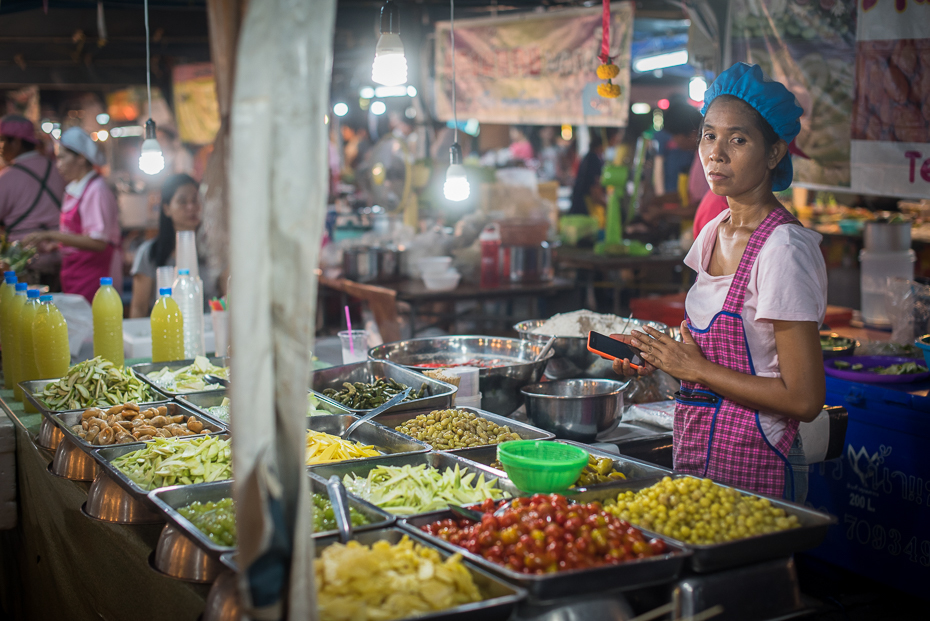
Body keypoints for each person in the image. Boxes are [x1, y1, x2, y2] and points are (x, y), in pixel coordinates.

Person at [611, 63, 827, 503]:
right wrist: (658, 353)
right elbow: (709, 349)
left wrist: (696, 369)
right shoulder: (713, 231)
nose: (716, 153)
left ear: (773, 154)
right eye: (709, 135)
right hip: (698, 449)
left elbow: (804, 399)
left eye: (738, 139)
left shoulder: (783, 248)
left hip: (759, 457)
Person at [24, 127, 121, 302]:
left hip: (95, 276)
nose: (58, 164)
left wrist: (50, 234)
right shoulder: (77, 188)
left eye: (62, 157)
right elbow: (80, 236)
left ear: (81, 158)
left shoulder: (96, 190)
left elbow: (98, 242)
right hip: (75, 272)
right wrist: (57, 245)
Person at [129, 173, 217, 317]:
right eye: (182, 201)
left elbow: (226, 296)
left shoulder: (213, 250)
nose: (191, 207)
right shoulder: (149, 253)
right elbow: (139, 308)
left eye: (195, 200)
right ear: (166, 208)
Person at [0, 115, 64, 241]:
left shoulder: (6, 177)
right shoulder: (59, 169)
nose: (1, 148)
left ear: (16, 142)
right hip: (62, 245)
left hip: (23, 253)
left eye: (2, 141)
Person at [569, 131, 606, 216]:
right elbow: (594, 188)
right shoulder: (593, 159)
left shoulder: (588, 156)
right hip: (584, 203)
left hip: (579, 199)